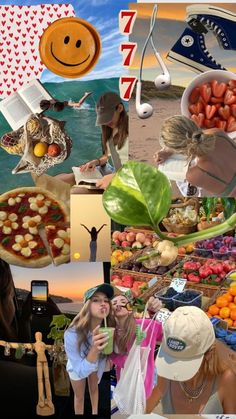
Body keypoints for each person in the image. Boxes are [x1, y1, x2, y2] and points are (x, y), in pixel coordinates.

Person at [146, 306, 236, 414]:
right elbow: (146, 408)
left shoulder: (226, 379)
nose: (175, 369)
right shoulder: (167, 372)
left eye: (183, 362)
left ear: (209, 353)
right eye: (172, 360)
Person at [57, 91, 128, 190]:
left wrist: (114, 177)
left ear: (120, 108)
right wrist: (96, 162)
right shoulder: (109, 131)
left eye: (107, 117)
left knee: (77, 193)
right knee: (59, 181)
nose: (106, 122)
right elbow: (106, 156)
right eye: (103, 119)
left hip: (126, 177)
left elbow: (140, 169)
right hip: (112, 171)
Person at [64, 283, 115, 415]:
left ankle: (94, 412)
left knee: (94, 389)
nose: (103, 303)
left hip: (95, 363)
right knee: (80, 397)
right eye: (96, 300)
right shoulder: (72, 334)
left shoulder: (108, 327)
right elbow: (81, 371)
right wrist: (94, 349)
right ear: (87, 305)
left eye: (106, 300)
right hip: (77, 367)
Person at [153, 115, 236, 196]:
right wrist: (170, 151)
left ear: (180, 151)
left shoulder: (195, 175)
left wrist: (170, 151)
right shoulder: (217, 133)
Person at [110, 293, 163, 399]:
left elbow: (163, 334)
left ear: (130, 308)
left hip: (146, 380)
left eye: (123, 302)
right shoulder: (110, 333)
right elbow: (113, 358)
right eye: (114, 303)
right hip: (126, 381)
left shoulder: (144, 325)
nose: (118, 304)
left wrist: (153, 313)